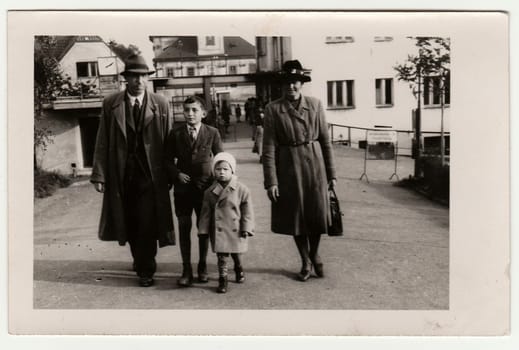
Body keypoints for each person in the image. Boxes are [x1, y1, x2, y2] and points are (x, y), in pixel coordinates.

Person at [90, 54, 174, 287]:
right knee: (128, 221)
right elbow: (102, 141)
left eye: (143, 76)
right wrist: (100, 174)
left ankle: (146, 268)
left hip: (151, 175)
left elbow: (168, 141)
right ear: (126, 79)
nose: (139, 81)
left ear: (148, 78)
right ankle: (140, 258)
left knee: (147, 221)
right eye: (134, 76)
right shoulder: (111, 104)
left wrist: (170, 172)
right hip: (122, 175)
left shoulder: (161, 104)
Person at [262, 60, 337, 282]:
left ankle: (314, 252)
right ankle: (305, 260)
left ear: (301, 84)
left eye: (294, 82)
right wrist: (271, 181)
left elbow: (326, 141)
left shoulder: (315, 105)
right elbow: (268, 148)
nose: (291, 87)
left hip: (315, 166)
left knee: (315, 214)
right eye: (286, 83)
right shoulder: (273, 109)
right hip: (288, 168)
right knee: (295, 216)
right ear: (281, 86)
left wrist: (331, 174)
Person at [165, 96, 224, 287]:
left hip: (204, 190)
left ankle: (202, 266)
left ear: (203, 113)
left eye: (194, 110)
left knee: (203, 229)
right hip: (183, 190)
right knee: (183, 228)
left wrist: (215, 183)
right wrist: (177, 174)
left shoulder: (212, 132)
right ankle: (186, 269)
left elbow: (220, 159)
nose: (190, 114)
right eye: (187, 110)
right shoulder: (175, 133)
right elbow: (166, 160)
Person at [198, 152, 254, 293]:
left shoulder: (242, 189)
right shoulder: (209, 192)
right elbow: (205, 214)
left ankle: (238, 268)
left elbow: (247, 211)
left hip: (236, 229)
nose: (222, 172)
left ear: (232, 170)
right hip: (220, 230)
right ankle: (223, 279)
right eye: (218, 169)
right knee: (222, 257)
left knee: (236, 254)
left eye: (225, 169)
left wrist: (246, 227)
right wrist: (203, 230)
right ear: (213, 171)